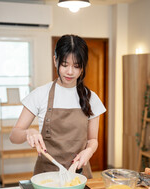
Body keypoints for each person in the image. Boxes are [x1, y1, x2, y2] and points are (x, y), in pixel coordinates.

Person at [9, 34, 106, 179]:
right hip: (46, 177)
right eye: (65, 65)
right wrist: (28, 132)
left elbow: (92, 140)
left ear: (83, 66)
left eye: (76, 66)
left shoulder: (91, 98)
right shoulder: (40, 94)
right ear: (55, 61)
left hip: (79, 175)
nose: (70, 72)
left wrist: (89, 151)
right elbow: (14, 136)